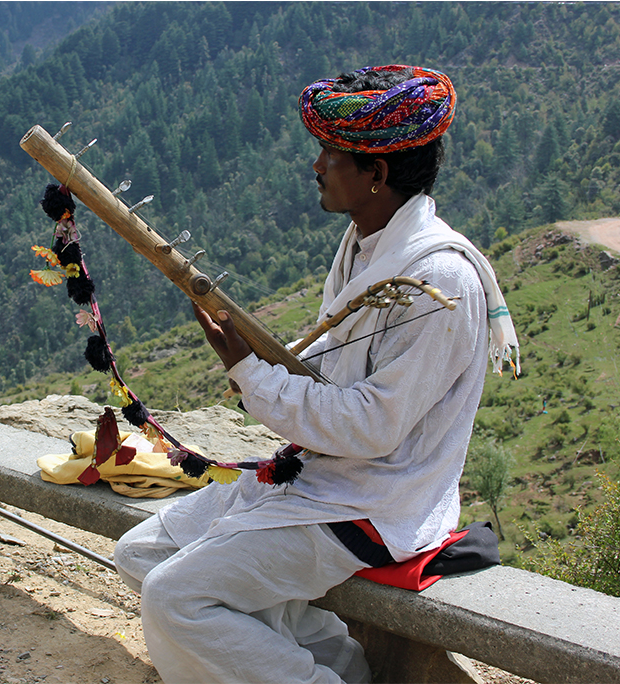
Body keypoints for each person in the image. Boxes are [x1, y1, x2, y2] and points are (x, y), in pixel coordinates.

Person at [113, 65, 519, 683]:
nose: (316, 167)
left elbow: (374, 426)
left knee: (176, 598)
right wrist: (260, 361)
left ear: (376, 174)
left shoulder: (441, 280)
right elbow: (330, 372)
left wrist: (249, 371)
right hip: (322, 479)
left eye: (330, 154)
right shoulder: (366, 241)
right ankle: (340, 667)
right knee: (140, 552)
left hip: (376, 503)